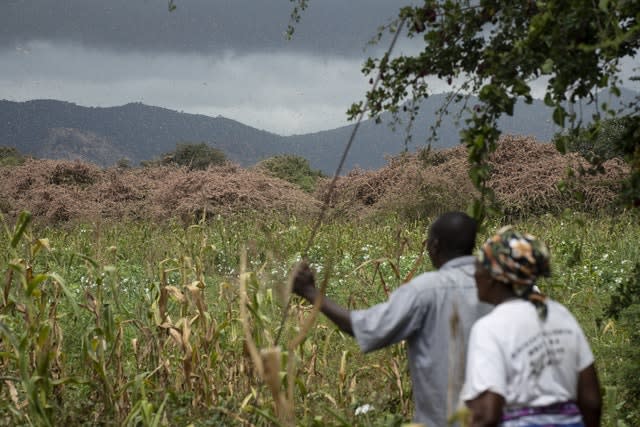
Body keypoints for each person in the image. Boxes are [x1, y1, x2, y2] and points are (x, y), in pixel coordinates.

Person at [293, 211, 492, 426]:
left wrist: (311, 294)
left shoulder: (425, 290)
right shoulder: (499, 286)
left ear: (434, 246)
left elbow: (368, 328)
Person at [461, 227, 602, 427]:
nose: (474, 275)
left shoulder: (490, 328)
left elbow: (487, 415)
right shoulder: (561, 315)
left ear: (496, 277)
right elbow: (591, 402)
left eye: (479, 268)